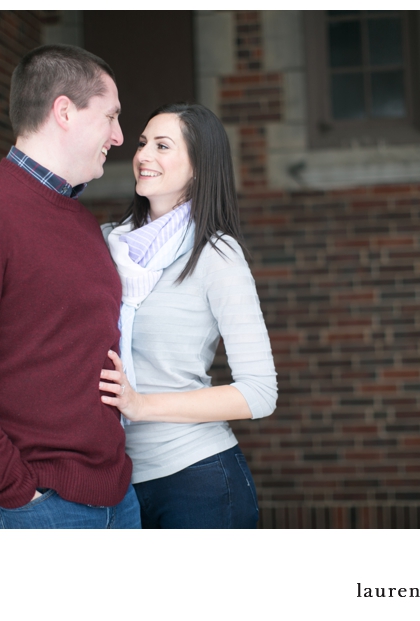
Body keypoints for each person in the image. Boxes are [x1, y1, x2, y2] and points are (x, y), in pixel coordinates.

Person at [0, 44, 140, 529]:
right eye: (111, 117)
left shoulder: (81, 222)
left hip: (116, 496)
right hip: (36, 508)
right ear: (64, 111)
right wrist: (17, 489)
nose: (120, 137)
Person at [99, 103, 277, 528]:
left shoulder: (216, 256)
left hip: (198, 481)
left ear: (199, 168)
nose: (143, 156)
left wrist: (140, 405)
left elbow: (259, 393)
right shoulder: (108, 245)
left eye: (163, 146)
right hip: (117, 483)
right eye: (143, 143)